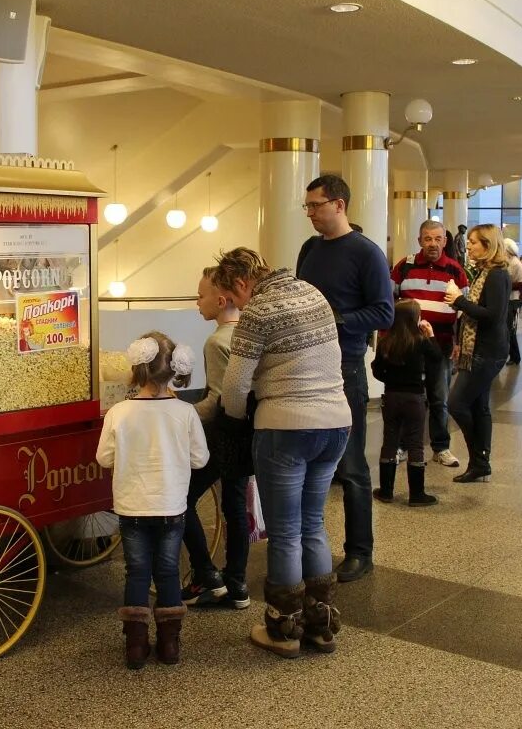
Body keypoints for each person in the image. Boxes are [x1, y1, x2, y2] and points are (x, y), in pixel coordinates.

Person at [214, 247, 352, 658]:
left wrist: (233, 419)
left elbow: (236, 387)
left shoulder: (257, 311)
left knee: (286, 531)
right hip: (336, 423)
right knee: (313, 523)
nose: (237, 306)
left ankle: (283, 628)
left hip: (286, 427)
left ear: (241, 283)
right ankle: (320, 625)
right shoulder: (313, 293)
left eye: (233, 297)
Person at [295, 174, 395, 584]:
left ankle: (360, 551)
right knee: (307, 461)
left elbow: (384, 313)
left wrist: (336, 319)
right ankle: (305, 543)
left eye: (315, 206)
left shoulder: (366, 253)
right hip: (306, 365)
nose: (310, 214)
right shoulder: (309, 249)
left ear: (339, 204)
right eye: (307, 207)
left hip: (344, 368)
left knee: (351, 465)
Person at [97, 332, 209, 668]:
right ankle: (170, 646)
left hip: (131, 507)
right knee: (169, 571)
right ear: (174, 369)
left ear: (136, 370)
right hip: (172, 506)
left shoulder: (119, 412)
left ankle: (134, 647)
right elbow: (200, 459)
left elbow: (104, 457)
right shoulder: (185, 412)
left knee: (136, 572)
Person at [180, 268, 251, 610]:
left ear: (221, 301)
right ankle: (237, 583)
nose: (197, 302)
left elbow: (219, 398)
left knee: (181, 499)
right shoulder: (249, 334)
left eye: (201, 295)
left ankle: (206, 574)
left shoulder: (216, 341)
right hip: (247, 433)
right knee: (235, 506)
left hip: (222, 434)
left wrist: (180, 414)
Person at [390, 219, 468, 468]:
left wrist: (458, 342)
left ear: (445, 241)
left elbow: (463, 312)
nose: (433, 244)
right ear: (420, 240)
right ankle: (402, 446)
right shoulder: (404, 266)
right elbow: (389, 299)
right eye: (427, 239)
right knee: (408, 397)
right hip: (408, 345)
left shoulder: (455, 270)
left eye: (437, 239)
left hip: (441, 344)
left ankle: (441, 448)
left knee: (439, 398)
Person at [444, 224, 511, 483]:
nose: (468, 245)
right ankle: (480, 463)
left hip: (488, 350)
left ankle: (479, 457)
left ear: (488, 245)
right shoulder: (485, 272)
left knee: (457, 403)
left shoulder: (496, 275)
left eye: (473, 242)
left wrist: (459, 301)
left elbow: (493, 316)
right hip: (481, 348)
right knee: (479, 406)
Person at [370, 299, 442, 506]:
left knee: (390, 441)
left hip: (391, 396)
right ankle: (417, 494)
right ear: (415, 319)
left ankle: (386, 490)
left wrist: (391, 380)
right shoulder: (420, 342)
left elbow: (377, 370)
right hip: (415, 397)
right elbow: (437, 358)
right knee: (415, 443)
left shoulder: (386, 341)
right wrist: (431, 334)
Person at [504, 238, 522, 365]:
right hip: (509, 299)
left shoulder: (514, 263)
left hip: (514, 300)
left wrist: (506, 285)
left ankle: (515, 356)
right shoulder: (510, 262)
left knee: (510, 329)